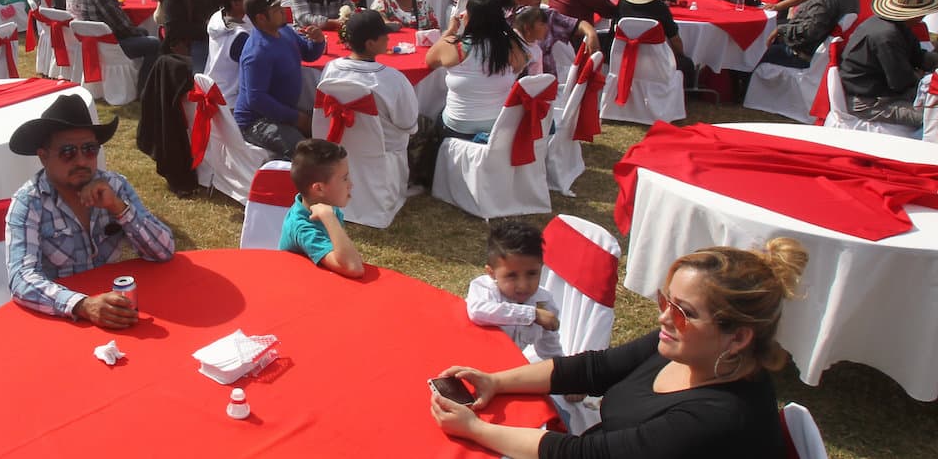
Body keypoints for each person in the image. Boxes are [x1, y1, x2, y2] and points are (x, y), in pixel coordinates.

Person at [431, 238, 808, 459]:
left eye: (684, 312)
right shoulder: (688, 348)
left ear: (739, 337)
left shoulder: (719, 417)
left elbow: (584, 457)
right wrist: (495, 382)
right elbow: (593, 369)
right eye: (666, 301)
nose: (664, 318)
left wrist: (476, 430)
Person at [5, 94, 175, 327]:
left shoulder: (115, 186)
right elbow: (21, 278)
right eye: (67, 152)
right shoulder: (28, 202)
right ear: (43, 157)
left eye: (90, 149)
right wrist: (82, 305)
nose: (82, 161)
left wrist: (118, 207)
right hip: (63, 318)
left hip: (117, 307)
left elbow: (164, 251)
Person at [234, 0, 326, 159]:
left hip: (283, 111)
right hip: (256, 121)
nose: (283, 11)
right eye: (276, 9)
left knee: (329, 131)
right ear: (261, 18)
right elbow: (256, 99)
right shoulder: (257, 52)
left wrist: (318, 41)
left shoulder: (284, 31)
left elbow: (308, 53)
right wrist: (296, 118)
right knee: (306, 155)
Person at [425, 0, 528, 138]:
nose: (462, 14)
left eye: (466, 11)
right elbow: (520, 66)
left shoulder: (455, 46)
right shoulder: (510, 46)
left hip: (459, 125)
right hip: (498, 125)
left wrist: (450, 31)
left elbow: (430, 60)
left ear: (472, 17)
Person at [840, 0, 938, 128]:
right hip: (869, 100)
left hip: (884, 90)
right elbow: (900, 82)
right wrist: (924, 79)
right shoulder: (887, 35)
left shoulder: (898, 26)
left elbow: (918, 57)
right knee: (933, 120)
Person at [319, 10, 418, 154]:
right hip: (385, 158)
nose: (388, 38)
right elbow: (410, 125)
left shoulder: (331, 69)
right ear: (370, 44)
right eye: (384, 35)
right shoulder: (393, 79)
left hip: (341, 154)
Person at [466, 220, 562, 363]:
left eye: (532, 274)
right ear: (491, 273)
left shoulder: (544, 302)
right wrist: (532, 314)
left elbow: (549, 348)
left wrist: (565, 371)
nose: (523, 286)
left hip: (503, 367)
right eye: (511, 275)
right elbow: (478, 312)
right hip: (467, 357)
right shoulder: (484, 287)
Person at [278, 139, 364, 279]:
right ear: (319, 188)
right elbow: (353, 267)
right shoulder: (304, 228)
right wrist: (329, 218)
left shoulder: (322, 205)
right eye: (344, 178)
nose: (351, 184)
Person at [76, 0, 161, 87]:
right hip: (111, 44)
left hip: (99, 42)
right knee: (155, 44)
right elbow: (121, 26)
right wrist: (142, 32)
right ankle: (145, 88)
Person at [616, 0, 695, 80]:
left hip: (625, 58)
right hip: (656, 62)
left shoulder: (622, 4)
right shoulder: (659, 7)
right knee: (686, 63)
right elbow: (675, 39)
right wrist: (681, 54)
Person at [204, 0, 259, 106]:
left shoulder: (218, 16)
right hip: (231, 103)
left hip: (213, 91)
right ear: (235, 3)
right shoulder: (239, 37)